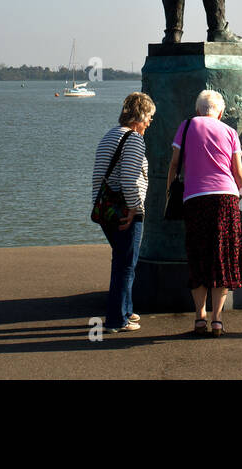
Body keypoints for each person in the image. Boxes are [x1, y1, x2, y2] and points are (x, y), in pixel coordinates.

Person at [168, 89, 242, 336]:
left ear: (198, 109)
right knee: (222, 257)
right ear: (220, 112)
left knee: (198, 254)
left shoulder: (187, 126)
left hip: (195, 198)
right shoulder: (230, 132)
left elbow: (174, 163)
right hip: (227, 199)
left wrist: (170, 191)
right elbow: (239, 173)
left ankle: (199, 316)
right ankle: (217, 319)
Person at [91, 92, 156, 334]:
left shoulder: (110, 135)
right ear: (139, 116)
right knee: (125, 265)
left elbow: (100, 176)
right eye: (149, 117)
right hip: (125, 211)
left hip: (106, 209)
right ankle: (117, 319)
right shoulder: (134, 140)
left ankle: (126, 310)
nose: (150, 122)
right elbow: (129, 179)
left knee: (122, 261)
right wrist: (134, 208)